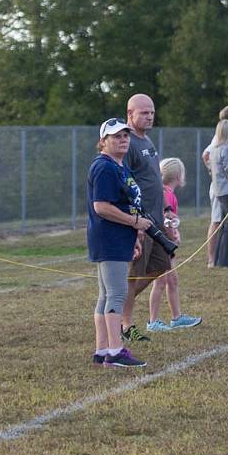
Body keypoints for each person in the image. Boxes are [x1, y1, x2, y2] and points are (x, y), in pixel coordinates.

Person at [88, 119, 147, 368]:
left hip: (119, 237)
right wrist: (134, 222)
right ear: (103, 141)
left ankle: (102, 350)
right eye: (116, 136)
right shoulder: (104, 167)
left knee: (106, 294)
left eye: (125, 135)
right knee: (116, 294)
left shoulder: (119, 166)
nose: (123, 139)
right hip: (109, 237)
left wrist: (134, 235)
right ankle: (115, 351)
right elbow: (101, 207)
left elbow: (126, 201)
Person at [121, 94, 173, 344]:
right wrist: (135, 222)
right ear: (129, 114)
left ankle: (120, 306)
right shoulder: (127, 143)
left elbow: (153, 180)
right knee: (133, 274)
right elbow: (126, 185)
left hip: (156, 218)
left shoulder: (147, 140)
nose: (150, 116)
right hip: (140, 222)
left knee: (161, 266)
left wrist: (166, 210)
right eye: (144, 113)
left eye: (152, 112)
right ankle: (125, 324)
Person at [145, 158, 202, 330]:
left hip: (162, 243)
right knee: (160, 282)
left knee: (172, 280)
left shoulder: (163, 192)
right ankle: (153, 321)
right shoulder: (167, 195)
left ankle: (176, 317)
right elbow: (167, 221)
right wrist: (173, 238)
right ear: (178, 176)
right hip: (162, 244)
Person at [203, 105, 228, 267]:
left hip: (222, 187)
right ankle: (215, 260)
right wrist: (214, 173)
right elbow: (206, 155)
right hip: (223, 188)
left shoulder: (225, 143)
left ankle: (217, 259)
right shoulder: (222, 143)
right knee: (218, 221)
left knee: (222, 222)